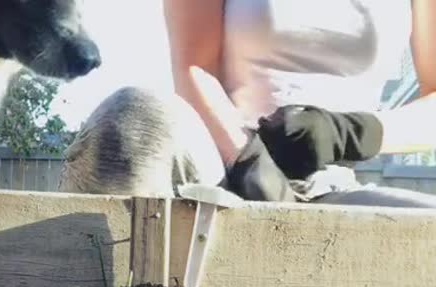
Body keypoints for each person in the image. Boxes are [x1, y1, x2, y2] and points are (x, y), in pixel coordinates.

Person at [59, 0, 436, 208]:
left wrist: (351, 132)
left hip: (332, 184)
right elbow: (193, 64)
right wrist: (248, 160)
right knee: (132, 116)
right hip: (220, 167)